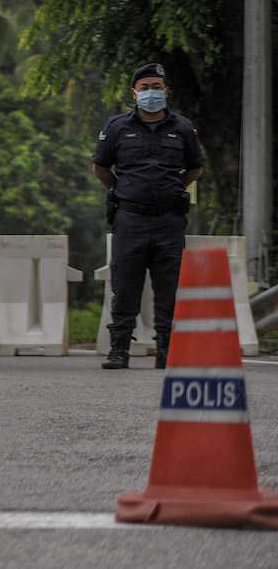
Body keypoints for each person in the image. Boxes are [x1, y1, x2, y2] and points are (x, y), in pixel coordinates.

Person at [92, 63, 204, 369]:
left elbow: (195, 167)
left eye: (157, 87)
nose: (151, 93)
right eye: (145, 88)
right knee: (125, 284)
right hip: (130, 218)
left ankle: (166, 349)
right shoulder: (117, 127)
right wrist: (122, 189)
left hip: (169, 220)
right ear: (134, 93)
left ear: (166, 91)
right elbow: (100, 168)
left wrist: (173, 188)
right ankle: (119, 350)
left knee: (169, 285)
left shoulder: (182, 128)